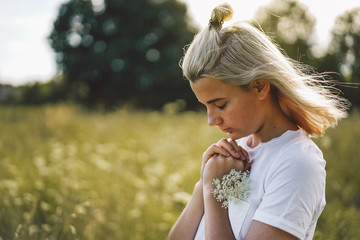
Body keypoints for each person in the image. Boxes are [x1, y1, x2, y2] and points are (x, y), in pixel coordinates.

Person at [168, 3, 350, 240]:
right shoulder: (234, 154)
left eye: (220, 104)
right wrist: (203, 184)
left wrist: (215, 193)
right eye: (206, 107)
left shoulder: (296, 163)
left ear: (260, 86)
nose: (212, 120)